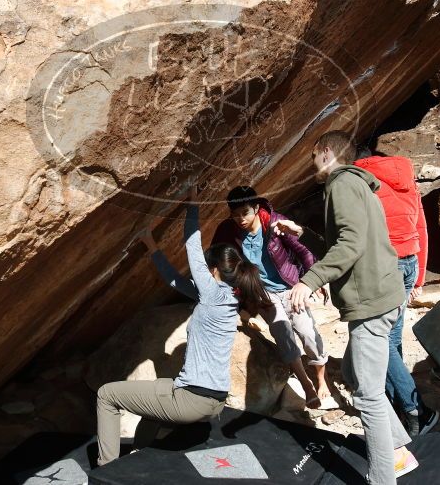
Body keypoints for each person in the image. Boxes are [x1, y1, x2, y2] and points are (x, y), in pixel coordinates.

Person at [96, 186, 273, 466]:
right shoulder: (228, 298)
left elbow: (192, 245)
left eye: (206, 267)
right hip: (213, 401)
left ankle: (107, 471)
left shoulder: (212, 294)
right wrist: (153, 248)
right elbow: (175, 282)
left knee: (107, 395)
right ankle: (138, 456)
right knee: (156, 396)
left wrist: (193, 203)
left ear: (214, 271)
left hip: (193, 400)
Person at [278, 130, 419, 483]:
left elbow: (351, 244)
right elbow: (345, 241)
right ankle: (399, 448)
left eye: (313, 154)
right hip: (384, 294)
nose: (311, 162)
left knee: (368, 396)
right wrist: (301, 233)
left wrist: (309, 282)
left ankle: (383, 478)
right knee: (357, 375)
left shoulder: (340, 185)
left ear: (326, 152)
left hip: (370, 303)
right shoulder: (358, 184)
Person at [211, 186, 331, 405]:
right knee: (282, 332)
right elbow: (218, 260)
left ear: (256, 208)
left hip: (289, 285)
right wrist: (236, 296)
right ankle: (306, 384)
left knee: (307, 333)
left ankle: (321, 379)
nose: (240, 219)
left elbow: (304, 250)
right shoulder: (228, 231)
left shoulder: (275, 222)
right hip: (262, 292)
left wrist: (310, 281)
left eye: (245, 212)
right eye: (235, 214)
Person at [354, 150, 439, 436]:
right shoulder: (404, 176)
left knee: (379, 340)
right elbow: (421, 228)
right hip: (409, 263)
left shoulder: (357, 180)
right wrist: (419, 279)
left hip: (383, 265)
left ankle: (416, 409)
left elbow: (356, 234)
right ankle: (398, 405)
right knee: (391, 335)